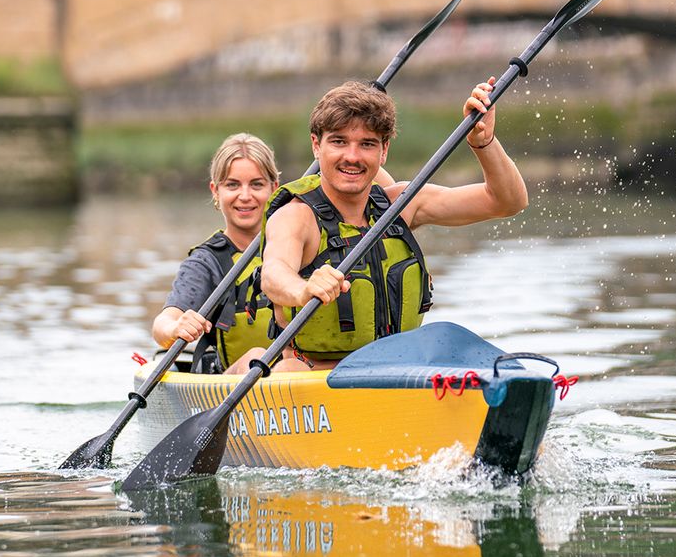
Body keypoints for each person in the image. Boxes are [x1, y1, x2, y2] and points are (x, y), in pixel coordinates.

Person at [259, 77, 528, 371]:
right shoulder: (295, 216)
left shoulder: (401, 204)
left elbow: (507, 202)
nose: (352, 156)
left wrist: (483, 142)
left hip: (399, 372)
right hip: (316, 377)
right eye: (338, 141)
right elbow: (274, 274)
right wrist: (304, 289)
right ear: (316, 145)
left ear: (383, 151)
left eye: (367, 144)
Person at [152, 133, 280, 375]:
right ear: (216, 191)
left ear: (274, 188)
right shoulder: (205, 262)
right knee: (257, 356)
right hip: (234, 382)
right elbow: (162, 325)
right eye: (233, 185)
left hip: (296, 373)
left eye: (256, 184)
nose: (245, 196)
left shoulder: (300, 243)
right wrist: (176, 327)